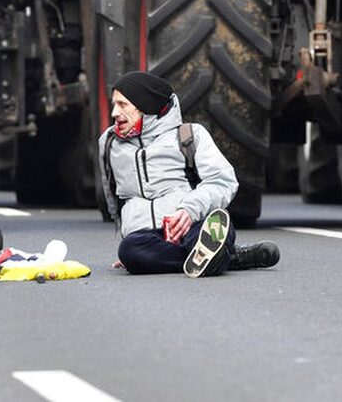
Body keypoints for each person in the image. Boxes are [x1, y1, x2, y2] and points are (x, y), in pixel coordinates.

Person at [99, 71, 280, 277]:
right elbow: (115, 197)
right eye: (114, 104)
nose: (114, 112)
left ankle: (206, 254)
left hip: (191, 223)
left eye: (123, 105)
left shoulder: (188, 136)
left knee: (216, 227)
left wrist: (189, 210)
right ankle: (225, 258)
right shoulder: (109, 142)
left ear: (146, 107)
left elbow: (223, 180)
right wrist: (128, 237)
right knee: (131, 252)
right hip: (147, 234)